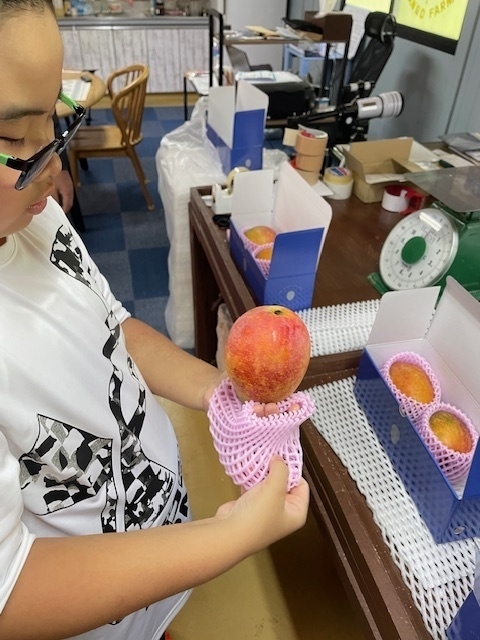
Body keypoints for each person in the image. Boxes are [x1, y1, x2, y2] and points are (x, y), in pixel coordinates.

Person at [0, 2, 310, 640]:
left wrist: (218, 393)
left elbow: (111, 327)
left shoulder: (36, 217)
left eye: (54, 122)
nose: (54, 168)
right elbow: (13, 593)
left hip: (164, 540)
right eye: (13, 140)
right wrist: (232, 537)